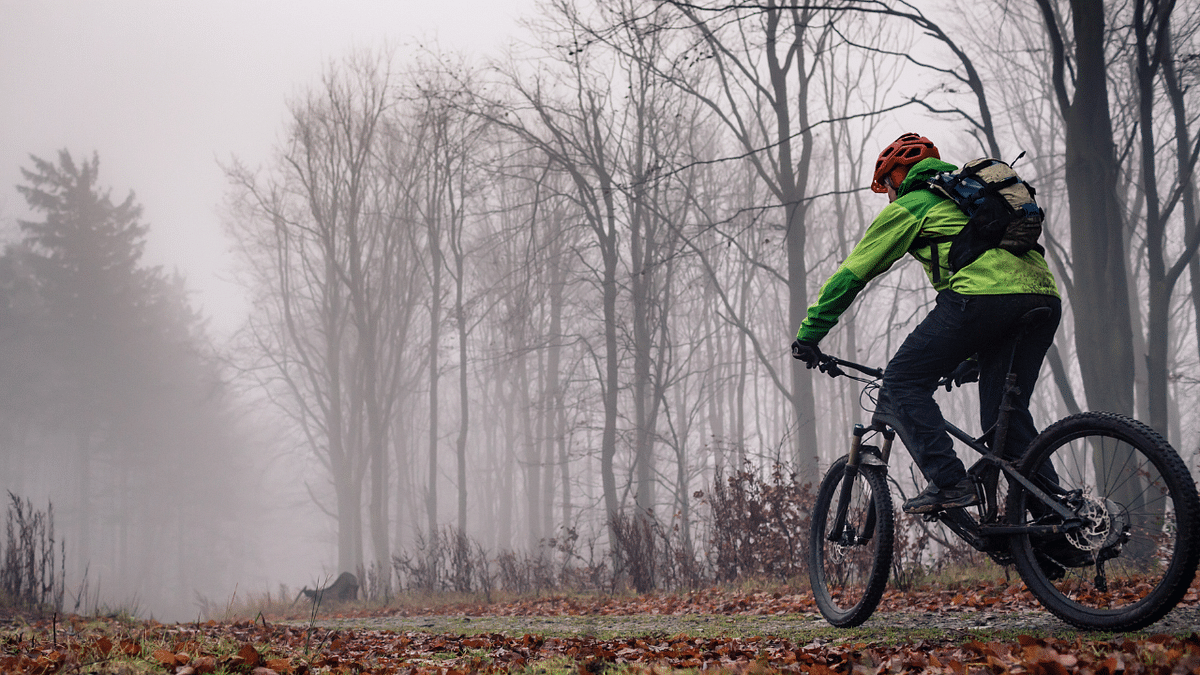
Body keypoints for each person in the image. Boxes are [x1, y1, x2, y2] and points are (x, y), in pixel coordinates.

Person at [791, 133, 1061, 514]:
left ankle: (950, 482)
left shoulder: (915, 203)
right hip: (1043, 296)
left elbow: (852, 274)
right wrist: (970, 357)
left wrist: (810, 333)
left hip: (983, 298)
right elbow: (997, 278)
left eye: (886, 184)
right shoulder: (969, 204)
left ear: (899, 175)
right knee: (1006, 419)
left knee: (901, 383)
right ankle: (1059, 530)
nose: (887, 194)